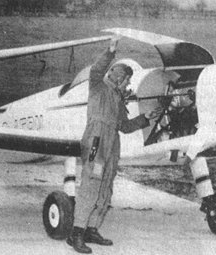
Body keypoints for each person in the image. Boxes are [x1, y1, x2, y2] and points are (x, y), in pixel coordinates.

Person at [67, 37, 161, 254]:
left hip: (112, 143)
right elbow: (97, 70)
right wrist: (110, 51)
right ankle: (76, 233)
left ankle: (92, 228)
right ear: (119, 77)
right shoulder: (98, 87)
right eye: (127, 81)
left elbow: (125, 126)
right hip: (96, 141)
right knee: (91, 182)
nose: (128, 85)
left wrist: (145, 118)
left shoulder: (118, 99)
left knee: (106, 184)